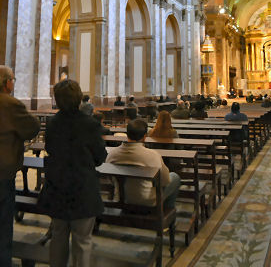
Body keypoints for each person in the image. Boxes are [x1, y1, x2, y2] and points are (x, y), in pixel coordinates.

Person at [38, 79, 107, 267]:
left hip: (57, 185)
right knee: (83, 240)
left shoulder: (52, 123)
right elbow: (100, 156)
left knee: (58, 236)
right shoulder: (90, 124)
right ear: (78, 98)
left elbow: (50, 148)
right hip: (82, 188)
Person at [0, 65, 40, 267]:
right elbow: (32, 128)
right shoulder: (10, 104)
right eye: (13, 80)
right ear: (7, 82)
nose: (13, 83)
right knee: (3, 225)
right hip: (2, 173)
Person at [106, 119, 180, 209]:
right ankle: (167, 215)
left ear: (127, 134)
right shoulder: (152, 155)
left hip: (120, 198)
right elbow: (165, 180)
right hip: (146, 201)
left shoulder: (112, 154)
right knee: (175, 177)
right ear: (145, 136)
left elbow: (110, 179)